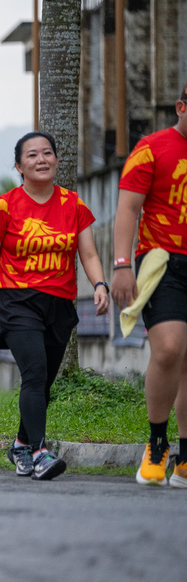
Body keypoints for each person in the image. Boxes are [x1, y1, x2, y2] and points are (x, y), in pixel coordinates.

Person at [0, 131, 109, 481]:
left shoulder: (74, 204)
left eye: (47, 153)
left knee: (42, 383)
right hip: (16, 301)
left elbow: (88, 253)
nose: (41, 159)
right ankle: (41, 452)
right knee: (35, 372)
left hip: (58, 303)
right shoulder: (4, 207)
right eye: (32, 155)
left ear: (57, 160)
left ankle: (21, 445)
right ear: (19, 166)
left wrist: (100, 284)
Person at [112, 81, 187, 488]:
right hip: (163, 261)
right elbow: (128, 208)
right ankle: (157, 443)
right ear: (180, 107)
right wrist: (122, 265)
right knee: (170, 348)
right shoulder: (152, 148)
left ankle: (186, 460)